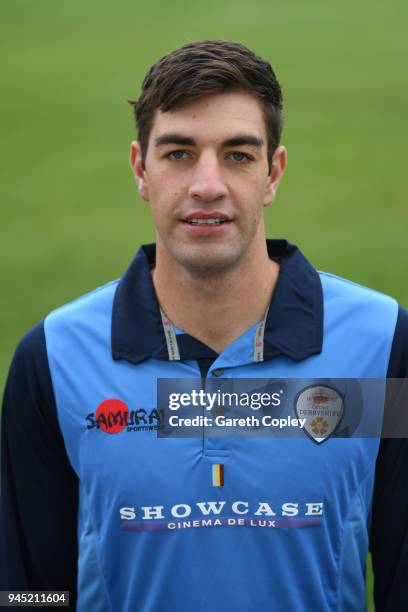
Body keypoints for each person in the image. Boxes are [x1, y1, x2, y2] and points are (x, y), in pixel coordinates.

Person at [1, 39, 407, 612]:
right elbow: (27, 589)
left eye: (238, 155)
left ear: (273, 172)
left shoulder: (382, 343)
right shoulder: (55, 357)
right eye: (179, 154)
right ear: (142, 169)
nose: (207, 185)